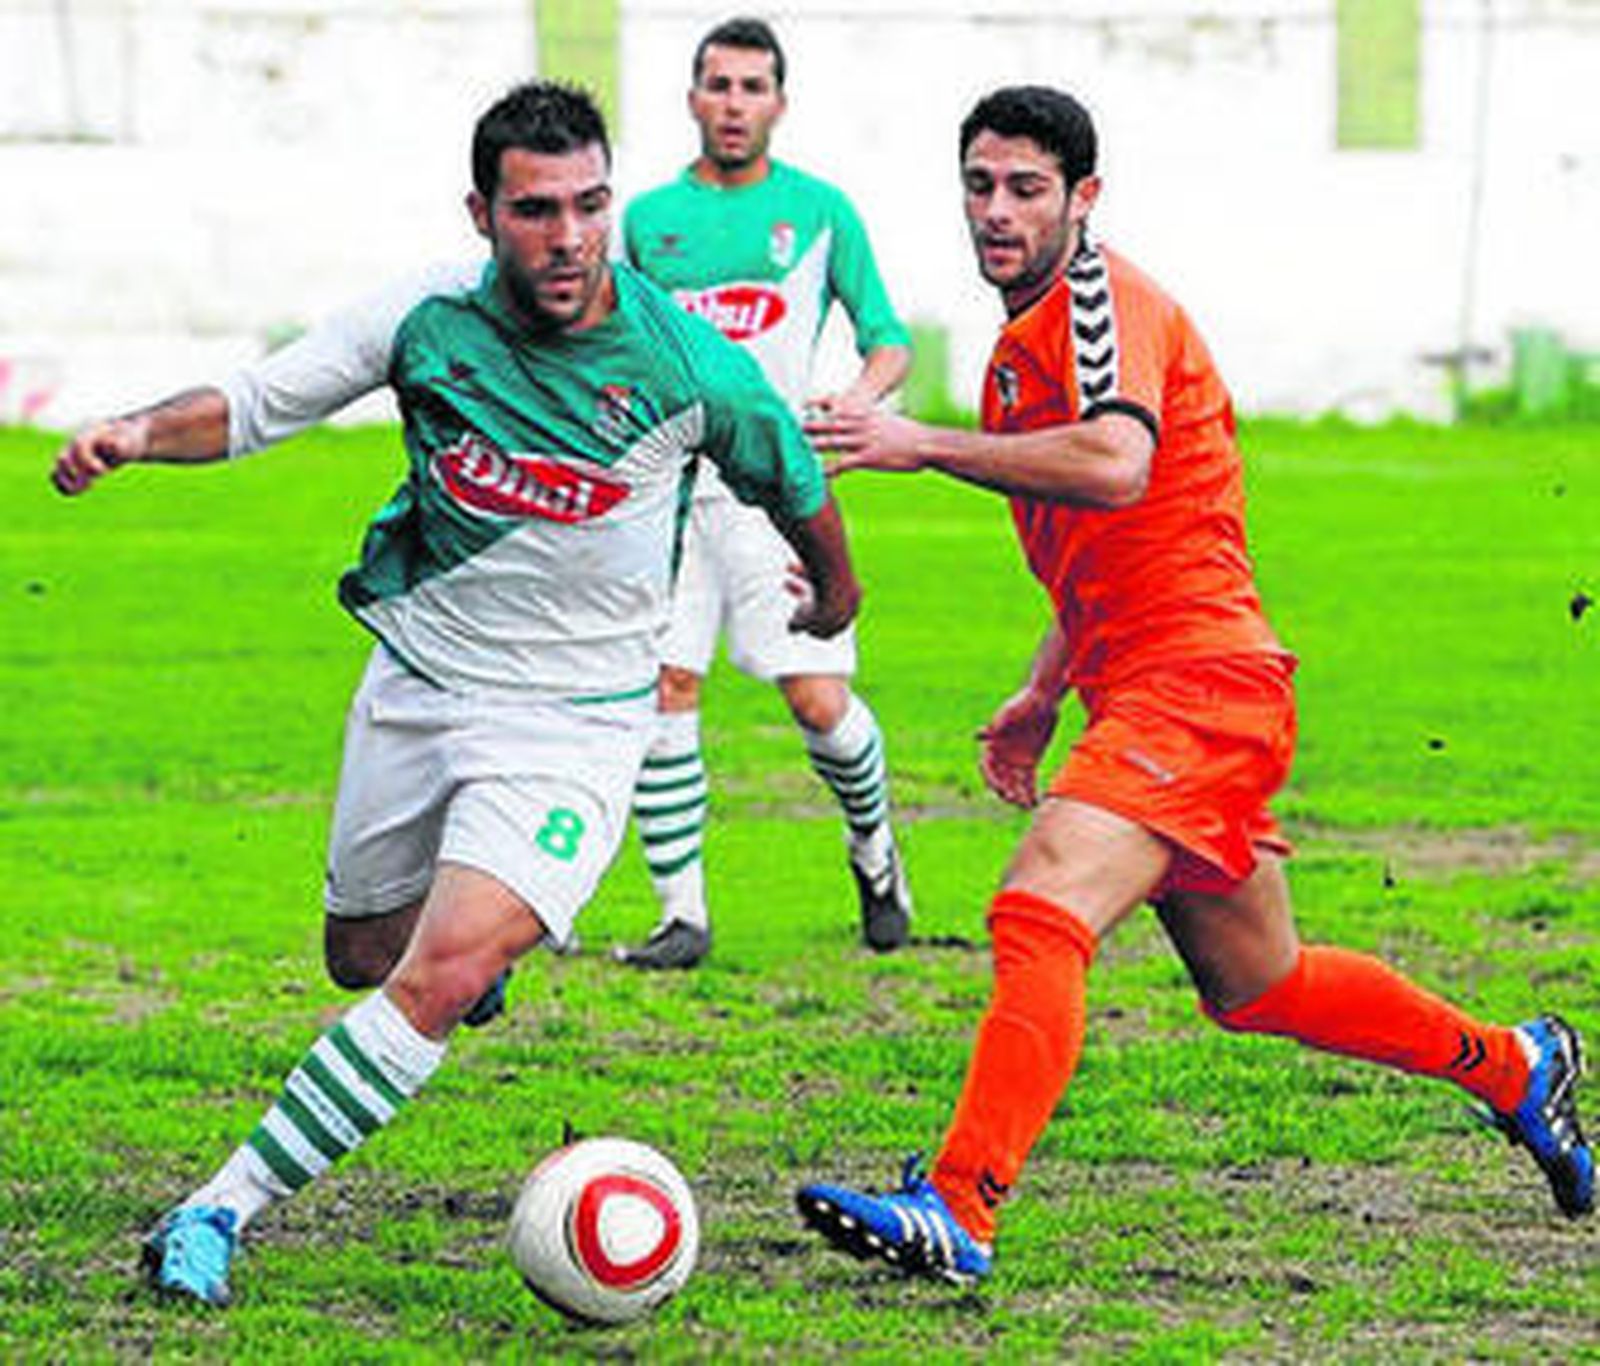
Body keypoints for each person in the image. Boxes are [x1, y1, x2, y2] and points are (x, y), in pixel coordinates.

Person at [50, 80, 861, 1307]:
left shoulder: (687, 364)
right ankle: (474, 956)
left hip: (578, 721)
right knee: (360, 956)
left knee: (433, 977)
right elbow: (263, 403)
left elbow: (792, 479)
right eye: (536, 210)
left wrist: (835, 599)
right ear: (482, 214)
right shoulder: (426, 320)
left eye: (590, 205)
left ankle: (216, 1208)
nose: (570, 237)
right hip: (421, 680)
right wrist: (132, 434)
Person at [794, 85, 1592, 1284]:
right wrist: (1043, 691)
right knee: (1257, 979)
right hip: (1158, 686)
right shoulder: (1020, 350)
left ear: (1083, 197)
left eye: (1026, 188)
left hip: (1198, 685)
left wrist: (920, 444)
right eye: (980, 185)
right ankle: (1515, 1065)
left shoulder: (1102, 302)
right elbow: (1111, 540)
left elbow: (1117, 464)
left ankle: (959, 1207)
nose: (997, 210)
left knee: (1039, 909)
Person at [612, 16, 915, 970]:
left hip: (776, 494)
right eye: (719, 84)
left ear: (779, 103)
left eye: (752, 87)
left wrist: (858, 399)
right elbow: (621, 342)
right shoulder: (646, 220)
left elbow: (888, 338)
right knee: (667, 686)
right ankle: (682, 917)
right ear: (692, 98)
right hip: (670, 489)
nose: (734, 103)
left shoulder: (819, 210)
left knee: (817, 698)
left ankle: (876, 851)